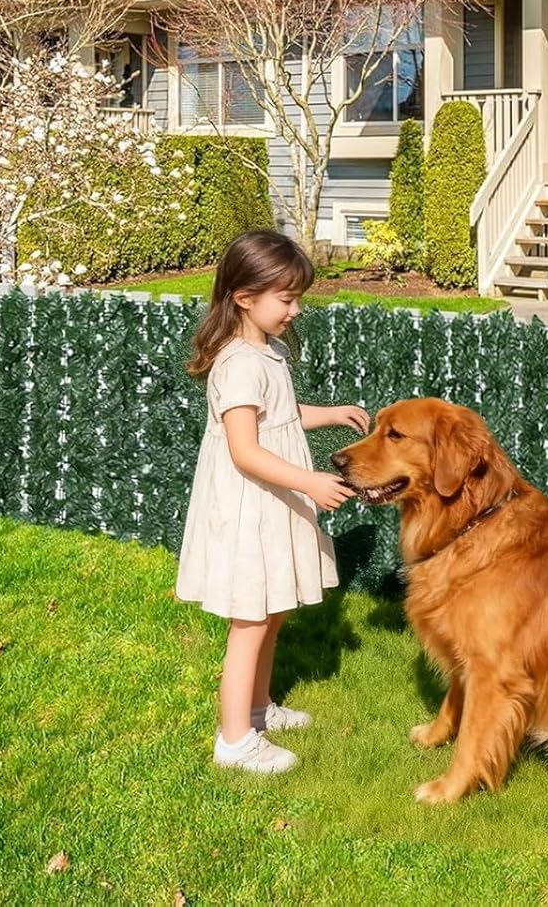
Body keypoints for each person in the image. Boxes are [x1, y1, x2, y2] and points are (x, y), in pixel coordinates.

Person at [177, 229, 368, 774]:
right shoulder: (237, 364)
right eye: (286, 299)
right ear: (244, 297)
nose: (295, 309)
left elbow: (277, 416)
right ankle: (234, 740)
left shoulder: (269, 353)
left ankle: (258, 709)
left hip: (272, 501)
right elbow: (245, 451)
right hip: (250, 505)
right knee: (251, 620)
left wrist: (329, 413)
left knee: (273, 610)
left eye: (297, 297)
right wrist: (308, 482)